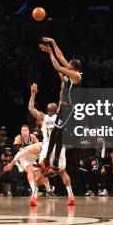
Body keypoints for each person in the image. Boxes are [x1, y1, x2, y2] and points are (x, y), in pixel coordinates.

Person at [38, 37, 82, 172]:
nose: (66, 62)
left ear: (72, 66)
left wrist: (50, 53)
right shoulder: (70, 71)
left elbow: (57, 66)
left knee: (58, 134)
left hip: (69, 109)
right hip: (64, 107)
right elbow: (61, 55)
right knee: (55, 133)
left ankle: (55, 163)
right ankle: (47, 161)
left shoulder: (76, 76)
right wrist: (52, 42)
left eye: (69, 63)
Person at [27, 82, 75, 205]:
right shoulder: (60, 116)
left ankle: (34, 197)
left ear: (49, 110)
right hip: (58, 146)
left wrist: (33, 94)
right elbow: (61, 99)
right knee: (62, 172)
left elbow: (31, 108)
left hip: (47, 146)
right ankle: (70, 196)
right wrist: (63, 85)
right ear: (56, 109)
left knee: (41, 172)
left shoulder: (43, 118)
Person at [0, 126, 13, 196]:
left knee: (7, 177)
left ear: (6, 132)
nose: (2, 132)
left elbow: (11, 152)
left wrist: (9, 158)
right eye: (1, 131)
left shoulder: (9, 141)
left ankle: (7, 191)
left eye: (4, 131)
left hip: (7, 162)